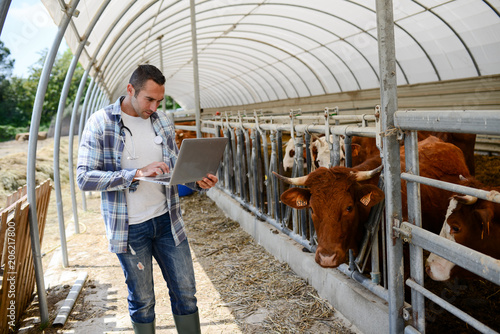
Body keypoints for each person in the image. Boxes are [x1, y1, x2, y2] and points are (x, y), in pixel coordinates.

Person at [77, 64, 217, 334]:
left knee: (186, 294)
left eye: (159, 100)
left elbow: (176, 169)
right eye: (149, 99)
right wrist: (136, 174)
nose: (154, 106)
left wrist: (198, 181)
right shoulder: (101, 123)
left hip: (168, 222)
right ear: (130, 90)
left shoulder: (162, 121)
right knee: (142, 301)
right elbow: (84, 178)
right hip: (130, 228)